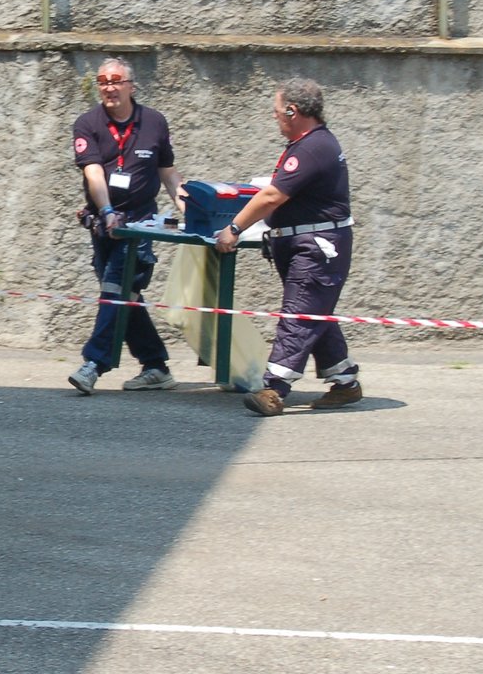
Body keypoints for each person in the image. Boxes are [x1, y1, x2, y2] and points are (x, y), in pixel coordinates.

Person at [214, 78, 361, 416]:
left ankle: (274, 388)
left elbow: (272, 195)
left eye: (277, 111)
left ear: (293, 111)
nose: (274, 117)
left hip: (317, 248)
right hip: (305, 243)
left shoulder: (312, 147)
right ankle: (345, 382)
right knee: (313, 313)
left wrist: (234, 228)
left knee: (298, 316)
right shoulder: (309, 144)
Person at [67, 58, 185, 395]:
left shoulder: (155, 123)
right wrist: (106, 211)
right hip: (104, 225)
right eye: (102, 80)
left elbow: (169, 173)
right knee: (125, 297)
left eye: (116, 80)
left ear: (131, 85)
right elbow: (93, 172)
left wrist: (190, 209)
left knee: (116, 290)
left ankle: (94, 364)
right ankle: (156, 366)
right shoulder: (87, 123)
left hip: (140, 227)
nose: (108, 86)